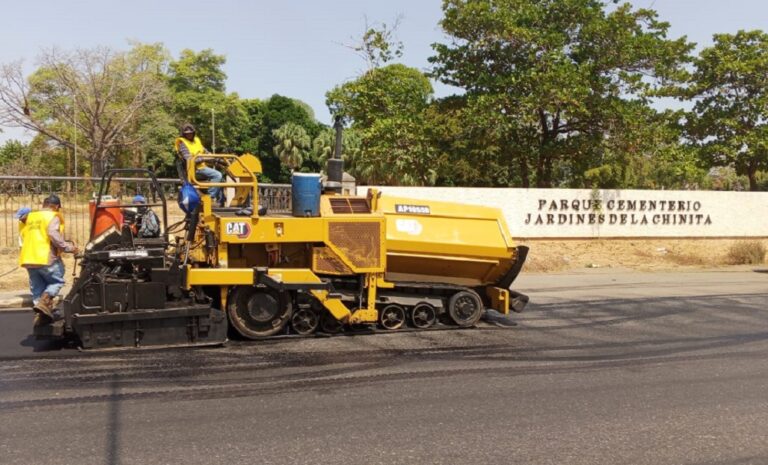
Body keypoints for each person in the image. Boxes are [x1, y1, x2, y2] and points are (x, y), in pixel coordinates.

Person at [19, 195, 79, 324]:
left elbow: (24, 234)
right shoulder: (53, 216)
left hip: (29, 257)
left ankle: (40, 316)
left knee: (37, 288)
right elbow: (53, 233)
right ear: (56, 206)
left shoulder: (31, 216)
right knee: (57, 281)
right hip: (45, 256)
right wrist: (67, 247)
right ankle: (45, 302)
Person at [174, 123, 225, 206]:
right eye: (187, 134)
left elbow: (206, 152)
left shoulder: (197, 141)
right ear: (184, 134)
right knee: (217, 175)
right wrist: (205, 158)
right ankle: (210, 199)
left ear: (193, 133)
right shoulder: (182, 144)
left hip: (201, 168)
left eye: (191, 133)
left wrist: (218, 159)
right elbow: (189, 160)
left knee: (221, 180)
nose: (189, 135)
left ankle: (221, 201)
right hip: (193, 170)